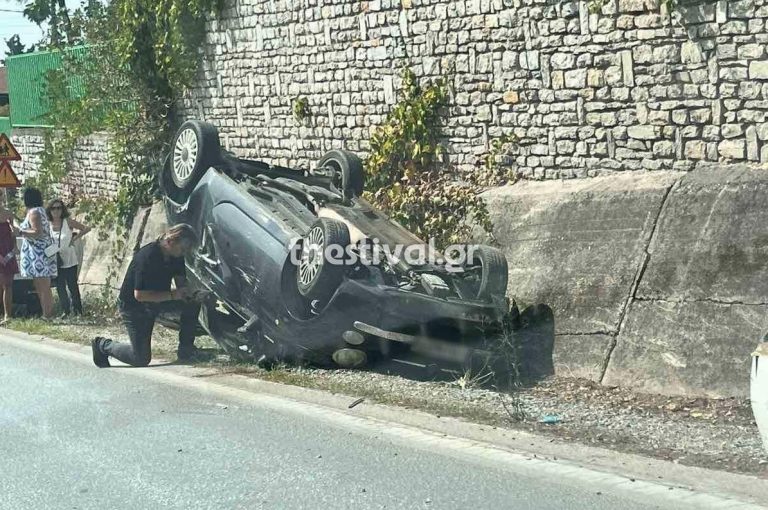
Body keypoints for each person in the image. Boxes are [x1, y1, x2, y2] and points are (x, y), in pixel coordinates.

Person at [91, 224, 204, 368]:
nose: (184, 253)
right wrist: (172, 295)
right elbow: (140, 295)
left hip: (158, 301)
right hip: (135, 307)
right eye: (183, 249)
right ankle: (103, 345)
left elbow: (181, 284)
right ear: (170, 241)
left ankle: (186, 350)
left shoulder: (175, 256)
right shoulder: (147, 256)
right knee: (140, 358)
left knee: (192, 303)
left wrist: (194, 294)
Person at [47, 199, 91, 316]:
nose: (56, 211)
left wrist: (74, 239)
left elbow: (86, 228)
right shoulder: (48, 225)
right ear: (50, 210)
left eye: (59, 208)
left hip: (70, 259)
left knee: (72, 285)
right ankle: (65, 311)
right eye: (53, 208)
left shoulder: (67, 221)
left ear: (62, 210)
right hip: (56, 260)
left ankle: (78, 311)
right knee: (60, 287)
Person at [18, 187, 56, 318]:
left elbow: (37, 232)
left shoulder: (34, 212)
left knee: (42, 285)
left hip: (38, 254)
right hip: (41, 252)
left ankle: (47, 314)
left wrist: (21, 232)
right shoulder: (41, 210)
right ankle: (47, 313)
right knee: (42, 285)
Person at [0, 193, 19, 324]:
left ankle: (8, 315)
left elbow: (15, 233)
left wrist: (15, 247)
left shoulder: (8, 213)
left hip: (8, 252)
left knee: (8, 284)